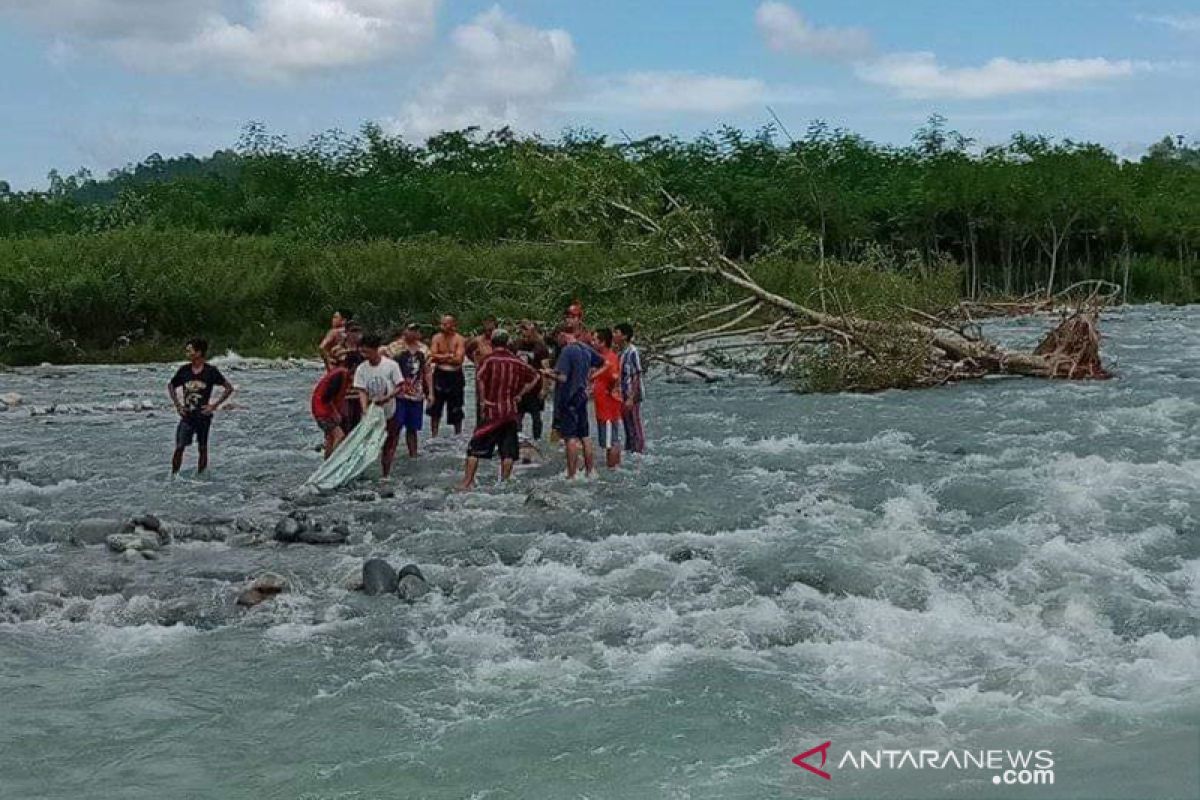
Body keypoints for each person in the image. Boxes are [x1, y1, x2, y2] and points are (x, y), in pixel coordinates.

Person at [458, 330, 540, 490]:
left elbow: (479, 378)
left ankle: (467, 482)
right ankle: (504, 483)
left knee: (474, 449)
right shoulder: (516, 361)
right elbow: (536, 376)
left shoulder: (488, 360)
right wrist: (520, 394)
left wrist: (482, 400)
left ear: (492, 343)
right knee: (508, 451)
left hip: (491, 411)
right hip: (510, 412)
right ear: (507, 343)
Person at [168, 338, 234, 476]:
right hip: (187, 415)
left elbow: (228, 388)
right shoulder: (184, 370)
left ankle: (200, 477)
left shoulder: (211, 371)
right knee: (179, 447)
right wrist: (178, 406)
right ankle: (173, 476)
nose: (187, 353)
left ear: (198, 352)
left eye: (189, 350)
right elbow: (171, 385)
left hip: (203, 415)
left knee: (202, 448)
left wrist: (214, 405)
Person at [544, 326, 604, 479]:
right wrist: (590, 382)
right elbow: (602, 362)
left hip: (568, 398)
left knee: (570, 437)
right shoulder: (585, 348)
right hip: (582, 396)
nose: (558, 343)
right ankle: (590, 471)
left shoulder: (567, 351)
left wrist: (548, 374)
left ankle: (572, 474)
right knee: (585, 435)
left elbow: (563, 378)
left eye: (558, 339)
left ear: (563, 335)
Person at [352, 334, 404, 479]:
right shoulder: (362, 369)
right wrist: (364, 410)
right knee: (365, 444)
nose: (364, 355)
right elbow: (361, 391)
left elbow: (400, 386)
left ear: (375, 350)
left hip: (390, 410)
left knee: (388, 444)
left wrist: (387, 398)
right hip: (371, 411)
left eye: (367, 352)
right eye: (362, 352)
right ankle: (360, 473)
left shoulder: (391, 365)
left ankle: (385, 474)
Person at [391, 324, 431, 458]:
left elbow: (427, 371)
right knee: (395, 427)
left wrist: (430, 392)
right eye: (411, 330)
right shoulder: (394, 348)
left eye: (417, 330)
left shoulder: (424, 349)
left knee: (413, 429)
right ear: (404, 331)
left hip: (417, 394)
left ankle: (413, 455)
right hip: (398, 394)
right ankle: (389, 454)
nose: (414, 333)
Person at [427, 315, 467, 437]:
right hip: (440, 375)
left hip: (455, 375)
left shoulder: (459, 339)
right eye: (442, 324)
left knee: (456, 408)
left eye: (446, 324)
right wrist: (449, 356)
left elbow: (459, 360)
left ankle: (458, 435)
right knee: (435, 408)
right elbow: (431, 356)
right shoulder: (436, 338)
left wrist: (441, 357)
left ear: (453, 325)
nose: (443, 326)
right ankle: (434, 436)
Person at [514, 320, 552, 440]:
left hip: (536, 388)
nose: (525, 338)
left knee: (536, 416)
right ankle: (518, 437)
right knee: (518, 415)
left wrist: (545, 389)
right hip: (519, 388)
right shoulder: (515, 345)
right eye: (523, 335)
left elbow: (546, 369)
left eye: (528, 336)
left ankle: (537, 439)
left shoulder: (540, 347)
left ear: (533, 333)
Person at [311, 348, 351, 458]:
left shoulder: (337, 372)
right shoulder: (341, 374)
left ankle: (327, 462)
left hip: (319, 409)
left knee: (330, 438)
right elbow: (327, 398)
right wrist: (335, 414)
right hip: (323, 411)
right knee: (340, 436)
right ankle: (333, 462)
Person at [591, 328, 623, 469]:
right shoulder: (601, 358)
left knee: (611, 441)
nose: (592, 343)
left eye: (595, 340)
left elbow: (615, 378)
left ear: (603, 342)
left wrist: (612, 389)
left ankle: (613, 468)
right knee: (607, 441)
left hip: (608, 408)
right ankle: (611, 465)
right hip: (602, 406)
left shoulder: (610, 358)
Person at [614, 322, 646, 454]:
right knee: (627, 425)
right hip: (623, 394)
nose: (614, 335)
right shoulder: (620, 352)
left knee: (634, 422)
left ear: (625, 336)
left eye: (617, 333)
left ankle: (638, 451)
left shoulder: (633, 352)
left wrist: (632, 397)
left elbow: (636, 375)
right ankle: (630, 449)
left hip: (632, 394)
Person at [466, 316, 498, 425]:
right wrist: (476, 362)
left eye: (491, 330)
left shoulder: (500, 341)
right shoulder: (477, 341)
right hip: (482, 376)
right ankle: (480, 427)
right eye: (487, 329)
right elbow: (468, 350)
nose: (489, 332)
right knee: (481, 403)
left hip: (497, 376)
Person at [338, 323, 366, 435]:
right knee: (344, 421)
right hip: (343, 392)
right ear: (346, 333)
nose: (356, 334)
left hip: (359, 392)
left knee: (357, 422)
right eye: (353, 331)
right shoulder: (339, 349)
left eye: (358, 331)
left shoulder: (363, 350)